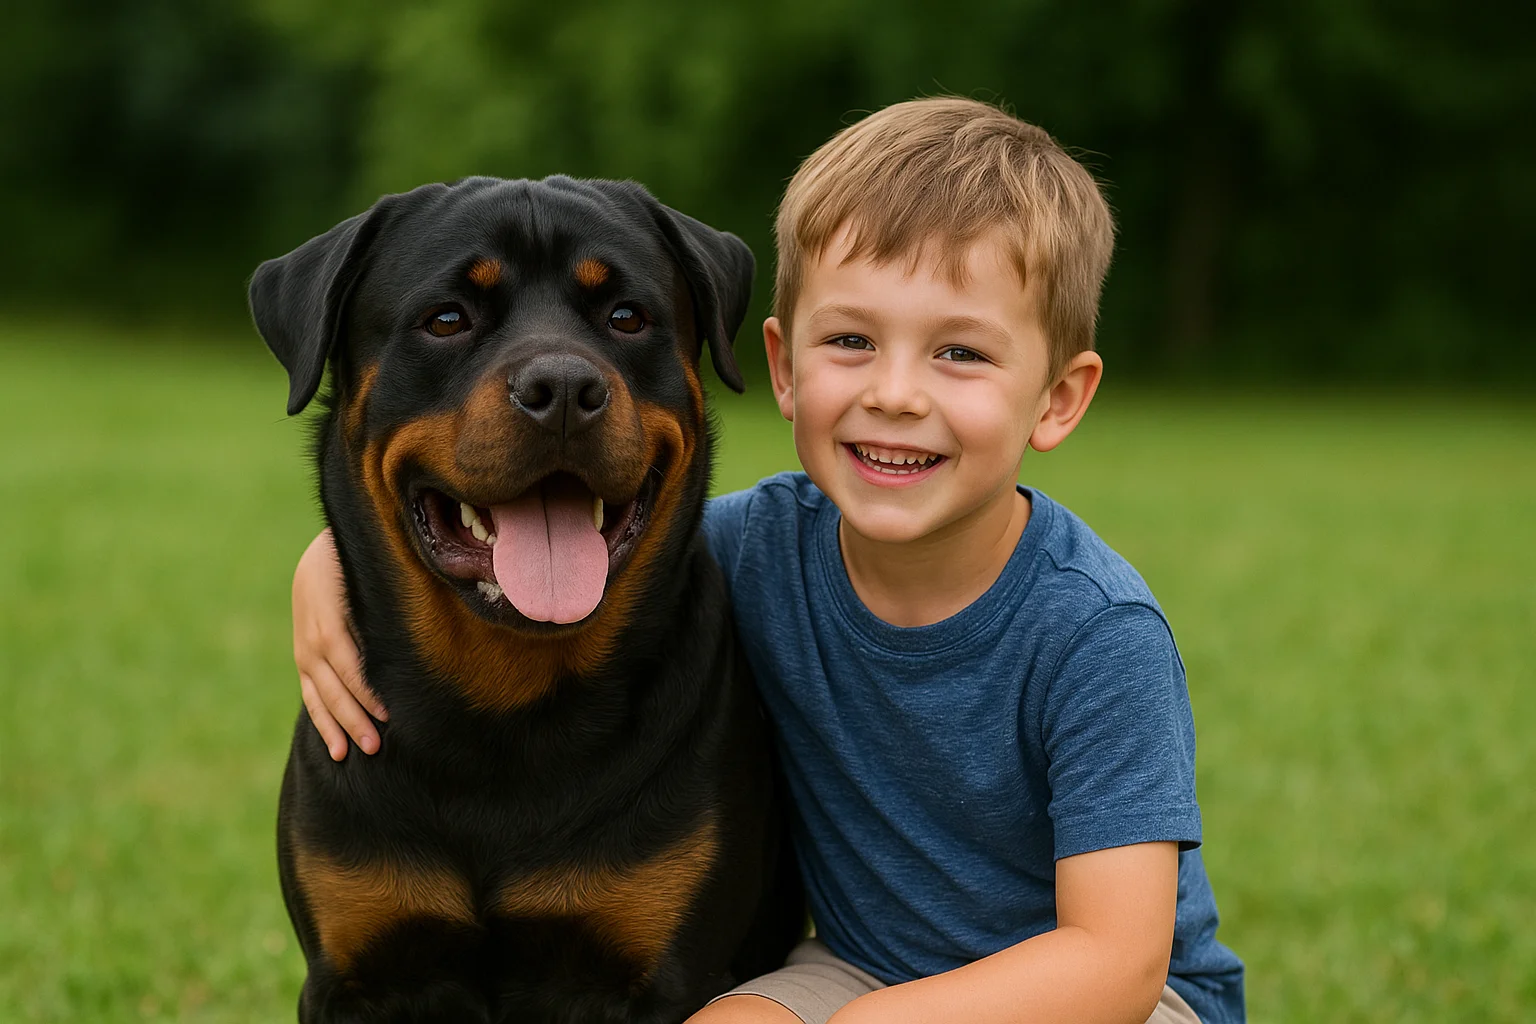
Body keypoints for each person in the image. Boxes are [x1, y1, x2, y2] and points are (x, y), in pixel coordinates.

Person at [288, 97, 1245, 1024]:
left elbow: (1116, 962)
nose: (898, 393)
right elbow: (435, 529)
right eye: (854, 342)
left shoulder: (1097, 633)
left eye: (960, 353)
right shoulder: (763, 547)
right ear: (782, 368)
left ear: (1059, 399)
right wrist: (334, 561)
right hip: (861, 969)